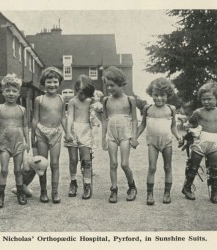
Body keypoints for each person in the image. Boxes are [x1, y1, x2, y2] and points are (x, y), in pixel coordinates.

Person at [24, 67, 66, 204]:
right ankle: (43, 192)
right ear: (44, 83)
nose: (52, 85)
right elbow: (35, 119)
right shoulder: (39, 99)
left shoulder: (61, 99)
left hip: (56, 133)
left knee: (55, 163)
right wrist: (32, 138)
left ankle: (55, 192)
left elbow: (63, 118)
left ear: (59, 82)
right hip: (41, 133)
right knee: (42, 164)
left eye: (55, 82)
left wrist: (68, 133)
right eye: (49, 82)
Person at [136, 78, 182, 205]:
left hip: (167, 142)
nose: (159, 98)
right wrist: (134, 137)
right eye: (156, 95)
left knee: (168, 167)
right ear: (151, 94)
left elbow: (173, 126)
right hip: (153, 143)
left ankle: (167, 194)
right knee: (152, 167)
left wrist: (178, 136)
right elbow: (143, 125)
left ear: (168, 95)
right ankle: (149, 194)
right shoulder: (147, 108)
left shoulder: (171, 109)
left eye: (162, 95)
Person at [0, 73, 30, 208]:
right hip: (5, 143)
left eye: (14, 91)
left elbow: (25, 126)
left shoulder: (22, 109)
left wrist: (27, 142)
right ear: (3, 92)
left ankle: (20, 193)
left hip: (18, 143)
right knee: (4, 170)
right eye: (8, 91)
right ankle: (0, 196)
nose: (11, 94)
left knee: (18, 170)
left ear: (19, 93)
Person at [102, 66, 139, 203]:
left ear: (120, 83)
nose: (109, 89)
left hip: (125, 134)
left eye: (112, 85)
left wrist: (134, 136)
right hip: (111, 135)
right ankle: (113, 189)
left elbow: (134, 119)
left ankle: (132, 186)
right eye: (107, 86)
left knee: (124, 164)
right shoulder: (106, 100)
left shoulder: (130, 99)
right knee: (113, 163)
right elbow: (104, 120)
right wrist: (103, 139)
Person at [181, 80, 217, 204]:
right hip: (200, 143)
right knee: (193, 166)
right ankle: (187, 187)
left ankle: (214, 192)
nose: (206, 101)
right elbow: (189, 125)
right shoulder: (198, 112)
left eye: (209, 99)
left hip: (215, 143)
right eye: (204, 99)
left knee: (215, 168)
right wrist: (188, 135)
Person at [65, 75, 95, 199]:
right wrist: (68, 132)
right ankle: (73, 182)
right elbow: (70, 117)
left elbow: (99, 103)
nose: (82, 96)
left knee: (86, 160)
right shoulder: (72, 102)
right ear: (76, 90)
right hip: (74, 130)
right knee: (73, 160)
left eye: (85, 93)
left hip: (86, 131)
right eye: (80, 92)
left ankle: (87, 184)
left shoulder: (90, 101)